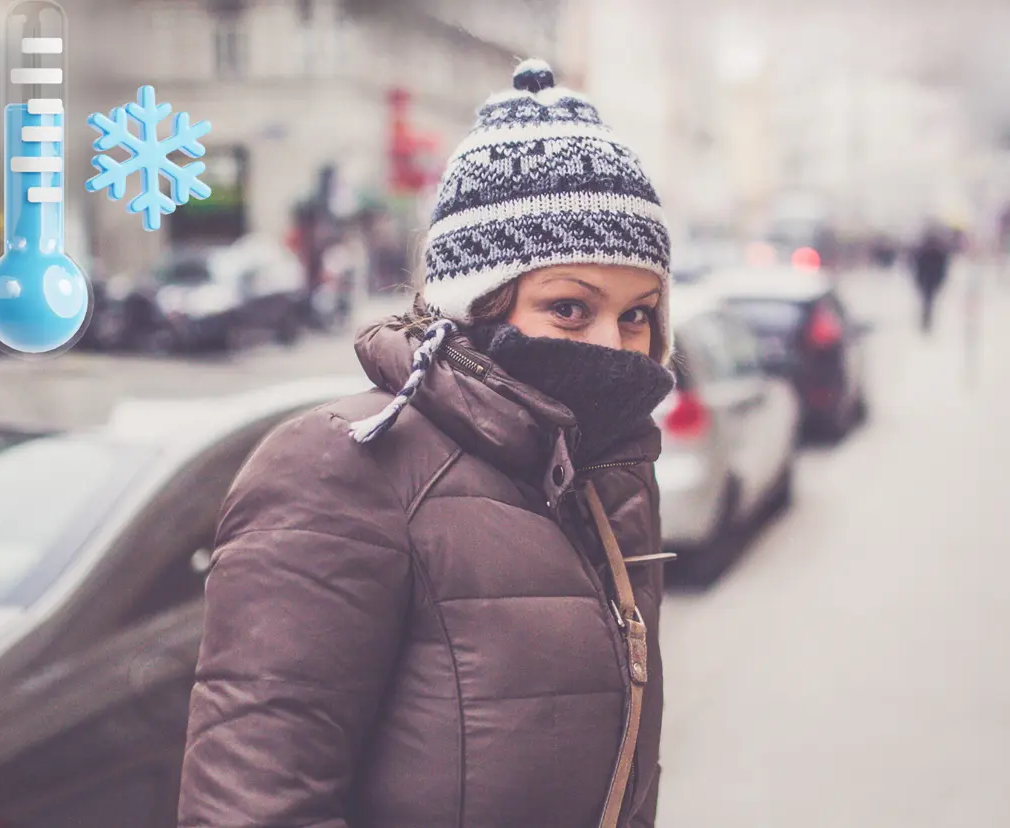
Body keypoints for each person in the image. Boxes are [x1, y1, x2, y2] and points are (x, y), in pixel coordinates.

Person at [177, 59, 675, 828]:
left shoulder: (605, 475)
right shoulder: (341, 466)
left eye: (636, 314)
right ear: (475, 307)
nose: (614, 349)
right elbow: (255, 807)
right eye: (570, 309)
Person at [909, 220, 960, 331]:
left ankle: (926, 321)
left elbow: (918, 266)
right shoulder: (934, 251)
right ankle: (926, 322)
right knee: (928, 301)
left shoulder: (931, 251)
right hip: (929, 280)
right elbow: (918, 266)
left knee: (927, 301)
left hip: (929, 280)